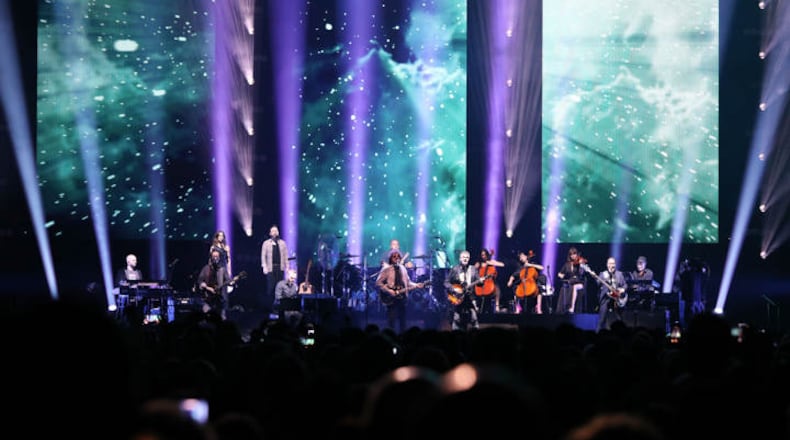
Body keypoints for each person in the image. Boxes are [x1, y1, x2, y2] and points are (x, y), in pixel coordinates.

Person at [376, 250, 423, 334]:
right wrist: (389, 291)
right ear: (390, 258)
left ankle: (402, 339)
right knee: (391, 321)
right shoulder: (386, 269)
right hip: (390, 298)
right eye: (394, 256)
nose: (396, 258)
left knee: (403, 321)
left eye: (398, 256)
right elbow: (378, 282)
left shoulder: (403, 269)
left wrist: (416, 285)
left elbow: (408, 282)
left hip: (402, 297)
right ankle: (390, 338)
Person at [443, 250, 480, 330]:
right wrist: (454, 289)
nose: (465, 259)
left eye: (467, 257)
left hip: (470, 299)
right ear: (460, 258)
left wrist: (481, 281)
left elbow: (479, 283)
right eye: (463, 257)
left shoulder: (473, 269)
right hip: (458, 298)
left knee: (474, 319)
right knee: (457, 319)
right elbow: (446, 282)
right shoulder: (455, 269)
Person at [594, 256, 628, 332]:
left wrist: (622, 289)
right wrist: (595, 277)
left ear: (615, 265)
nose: (611, 265)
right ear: (607, 264)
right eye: (609, 263)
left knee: (619, 320)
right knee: (601, 320)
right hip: (606, 299)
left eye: (612, 263)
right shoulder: (603, 274)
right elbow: (598, 284)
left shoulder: (619, 274)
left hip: (616, 300)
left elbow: (625, 285)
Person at [506, 250, 545, 314]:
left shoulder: (532, 264)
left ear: (526, 256)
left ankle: (538, 307)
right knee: (515, 288)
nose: (520, 259)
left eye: (522, 256)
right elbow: (513, 275)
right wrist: (510, 281)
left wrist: (530, 265)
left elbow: (542, 268)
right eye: (520, 258)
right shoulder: (521, 267)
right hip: (523, 284)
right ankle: (518, 307)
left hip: (533, 284)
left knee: (539, 288)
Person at [197, 249, 230, 320]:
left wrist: (229, 283)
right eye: (214, 256)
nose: (215, 258)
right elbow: (200, 281)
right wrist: (207, 288)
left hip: (219, 299)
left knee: (221, 318)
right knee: (205, 317)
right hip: (208, 298)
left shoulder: (222, 269)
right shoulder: (206, 268)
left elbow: (228, 280)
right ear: (211, 258)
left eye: (217, 256)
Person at [261, 225, 289, 306]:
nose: (274, 232)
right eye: (273, 231)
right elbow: (263, 256)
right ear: (270, 233)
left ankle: (279, 306)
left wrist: (287, 267)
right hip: (270, 268)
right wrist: (264, 267)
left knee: (280, 287)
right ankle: (271, 306)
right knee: (271, 288)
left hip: (280, 268)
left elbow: (285, 256)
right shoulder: (266, 243)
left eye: (276, 231)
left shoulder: (282, 243)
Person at [555, 247, 586, 314]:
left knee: (574, 286)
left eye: (574, 254)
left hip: (579, 282)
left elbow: (581, 274)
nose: (573, 256)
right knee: (565, 287)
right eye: (571, 254)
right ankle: (563, 308)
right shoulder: (567, 264)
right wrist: (560, 275)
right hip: (571, 282)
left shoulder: (580, 263)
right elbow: (560, 273)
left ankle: (572, 307)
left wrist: (581, 265)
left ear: (577, 254)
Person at [474, 248, 505, 314]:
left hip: (489, 283)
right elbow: (473, 270)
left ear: (487, 255)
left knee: (497, 287)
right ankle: (476, 305)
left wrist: (491, 263)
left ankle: (497, 306)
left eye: (485, 255)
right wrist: (478, 278)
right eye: (482, 255)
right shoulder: (479, 263)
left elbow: (502, 265)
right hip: (481, 283)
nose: (484, 256)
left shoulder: (491, 261)